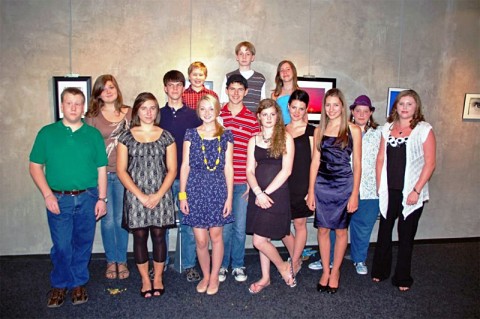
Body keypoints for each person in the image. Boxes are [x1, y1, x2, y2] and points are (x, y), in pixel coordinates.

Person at [29, 87, 108, 307]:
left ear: (83, 108)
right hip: (58, 198)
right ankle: (60, 283)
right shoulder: (47, 133)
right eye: (69, 103)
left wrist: (102, 199)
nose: (73, 107)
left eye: (78, 103)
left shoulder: (92, 135)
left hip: (88, 197)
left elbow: (102, 168)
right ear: (61, 105)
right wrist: (47, 195)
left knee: (83, 243)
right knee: (62, 245)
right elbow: (35, 166)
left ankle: (78, 283)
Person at [372, 89, 436, 291]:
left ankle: (402, 278)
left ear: (416, 107)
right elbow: (381, 158)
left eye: (409, 104)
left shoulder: (424, 129)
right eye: (401, 104)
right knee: (384, 232)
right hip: (389, 191)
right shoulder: (387, 128)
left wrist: (416, 191)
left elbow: (430, 163)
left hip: (411, 192)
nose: (405, 107)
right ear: (396, 107)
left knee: (406, 236)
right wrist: (379, 185)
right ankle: (380, 271)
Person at [117, 92, 177, 298]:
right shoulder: (125, 136)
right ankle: (145, 279)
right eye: (144, 108)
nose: (149, 112)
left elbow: (172, 170)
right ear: (137, 111)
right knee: (140, 237)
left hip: (161, 195)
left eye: (152, 108)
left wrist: (158, 195)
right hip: (136, 196)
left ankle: (158, 277)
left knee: (159, 236)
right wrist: (141, 196)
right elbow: (121, 170)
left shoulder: (166, 136)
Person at [307, 88, 362, 294]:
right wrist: (311, 191)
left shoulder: (353, 129)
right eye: (327, 105)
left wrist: (355, 193)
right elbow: (314, 162)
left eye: (335, 105)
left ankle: (336, 271)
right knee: (322, 229)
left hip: (343, 185)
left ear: (342, 106)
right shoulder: (318, 130)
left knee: (340, 230)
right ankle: (325, 269)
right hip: (322, 185)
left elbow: (357, 164)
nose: (331, 109)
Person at [179, 94, 234, 295]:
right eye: (203, 109)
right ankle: (205, 274)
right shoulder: (191, 134)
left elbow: (229, 168)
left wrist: (229, 197)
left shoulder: (226, 134)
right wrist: (182, 196)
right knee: (201, 240)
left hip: (218, 188)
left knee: (216, 235)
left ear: (217, 110)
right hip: (194, 189)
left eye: (211, 108)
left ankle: (214, 277)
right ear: (198, 111)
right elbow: (184, 165)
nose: (207, 113)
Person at [246, 99, 295, 294]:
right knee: (262, 237)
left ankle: (283, 266)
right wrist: (258, 192)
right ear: (258, 116)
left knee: (259, 241)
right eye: (264, 114)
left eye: (272, 114)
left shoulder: (285, 138)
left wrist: (266, 194)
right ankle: (265, 278)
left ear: (278, 116)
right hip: (258, 194)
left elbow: (286, 171)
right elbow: (249, 170)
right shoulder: (253, 140)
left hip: (276, 194)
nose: (268, 118)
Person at [85, 74, 131, 281]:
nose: (108, 91)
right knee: (108, 221)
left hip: (125, 175)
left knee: (122, 220)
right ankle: (111, 260)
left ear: (117, 89)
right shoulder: (92, 117)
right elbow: (88, 150)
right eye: (103, 89)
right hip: (103, 175)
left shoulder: (129, 113)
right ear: (98, 94)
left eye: (111, 87)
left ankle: (122, 260)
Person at [159, 70, 202, 281]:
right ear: (165, 88)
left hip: (187, 178)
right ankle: (161, 263)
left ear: (183, 89)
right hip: (163, 178)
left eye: (179, 85)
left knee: (188, 222)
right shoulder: (157, 114)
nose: (175, 89)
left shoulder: (194, 115)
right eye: (171, 85)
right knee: (162, 225)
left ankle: (189, 265)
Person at [219, 74, 261, 283]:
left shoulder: (252, 119)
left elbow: (256, 155)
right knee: (224, 227)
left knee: (240, 227)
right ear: (226, 90)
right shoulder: (217, 115)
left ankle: (238, 264)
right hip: (220, 183)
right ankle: (221, 264)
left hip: (242, 183)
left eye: (239, 89)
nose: (235, 93)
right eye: (232, 88)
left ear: (246, 92)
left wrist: (251, 182)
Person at [345, 95, 382, 275]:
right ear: (352, 111)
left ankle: (359, 259)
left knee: (363, 227)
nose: (361, 114)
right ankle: (326, 259)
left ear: (371, 113)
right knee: (335, 226)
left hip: (369, 188)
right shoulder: (342, 131)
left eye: (365, 111)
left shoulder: (380, 133)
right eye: (357, 110)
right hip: (344, 186)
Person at [281, 90, 315, 276]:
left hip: (302, 185)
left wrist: (312, 190)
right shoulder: (282, 130)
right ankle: (298, 257)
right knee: (282, 226)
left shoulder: (312, 131)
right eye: (294, 107)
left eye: (301, 108)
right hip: (284, 184)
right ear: (288, 106)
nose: (296, 111)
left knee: (300, 224)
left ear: (306, 109)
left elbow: (315, 163)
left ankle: (294, 262)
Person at [220, 41, 266, 112]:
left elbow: (263, 103)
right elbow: (224, 102)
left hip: (253, 120)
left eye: (247, 54)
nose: (244, 57)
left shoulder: (260, 78)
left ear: (252, 57)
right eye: (241, 54)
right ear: (237, 57)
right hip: (233, 120)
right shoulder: (229, 76)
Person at [271, 60, 300, 125]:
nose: (285, 72)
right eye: (282, 70)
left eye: (288, 69)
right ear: (279, 74)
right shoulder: (274, 95)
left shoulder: (300, 93)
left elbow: (304, 116)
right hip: (280, 130)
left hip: (296, 130)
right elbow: (273, 116)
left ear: (293, 72)